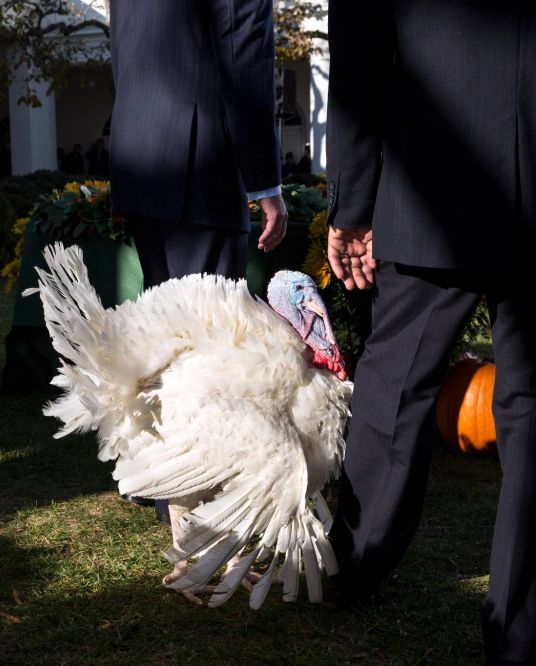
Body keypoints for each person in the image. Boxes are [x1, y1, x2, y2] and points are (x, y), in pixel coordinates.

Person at [325, 3, 535, 663]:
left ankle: (354, 562)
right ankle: (523, 625)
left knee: (396, 383)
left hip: (437, 176)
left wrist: (351, 204)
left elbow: (359, 50)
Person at [109, 0, 288, 524]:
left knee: (164, 336)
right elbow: (245, 48)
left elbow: (124, 42)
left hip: (141, 150)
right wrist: (264, 180)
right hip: (201, 157)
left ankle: (162, 482)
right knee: (205, 345)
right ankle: (189, 496)